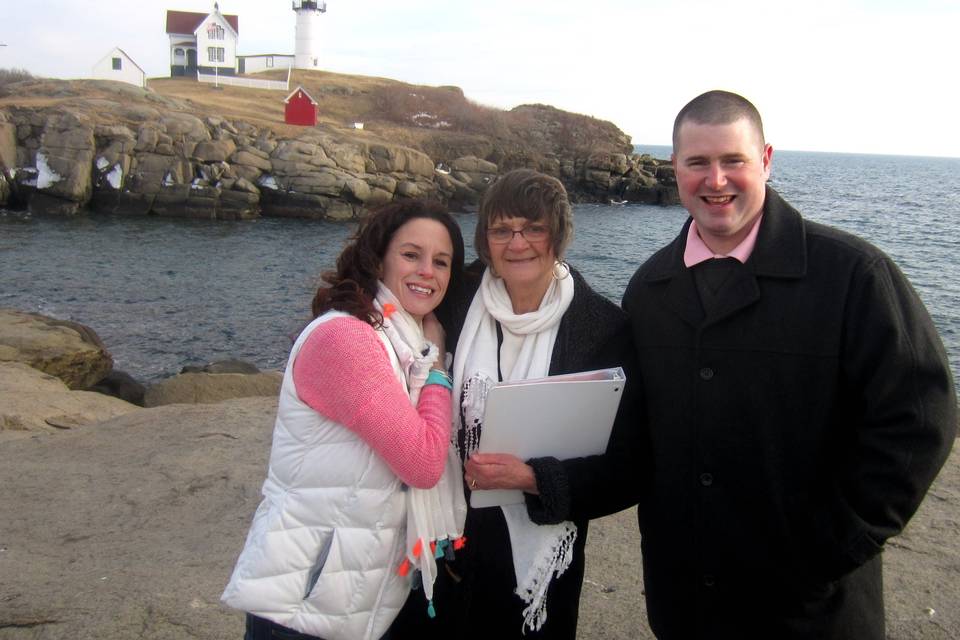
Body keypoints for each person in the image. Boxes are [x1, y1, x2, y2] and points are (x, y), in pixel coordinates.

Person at [523, 90, 958, 639]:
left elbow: (920, 421)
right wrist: (545, 479)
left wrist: (830, 549)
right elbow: (632, 444)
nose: (716, 180)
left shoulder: (853, 276)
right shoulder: (651, 290)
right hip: (686, 605)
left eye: (733, 160)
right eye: (698, 162)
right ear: (675, 168)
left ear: (767, 160)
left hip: (812, 612)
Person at [221, 199, 468, 640]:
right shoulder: (347, 338)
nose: (427, 271)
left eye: (442, 261)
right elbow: (422, 462)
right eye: (411, 255)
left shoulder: (399, 341)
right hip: (305, 598)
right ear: (378, 259)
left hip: (352, 597)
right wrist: (439, 370)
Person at [408, 168, 631, 639]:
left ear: (559, 236)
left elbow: (629, 467)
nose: (518, 243)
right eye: (501, 230)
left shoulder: (603, 329)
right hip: (448, 534)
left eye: (534, 228)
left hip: (536, 559)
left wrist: (534, 479)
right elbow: (393, 294)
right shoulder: (454, 301)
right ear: (485, 241)